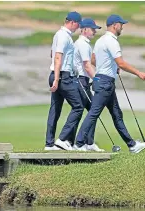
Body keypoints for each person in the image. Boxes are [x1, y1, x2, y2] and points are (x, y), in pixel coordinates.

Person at [75, 14, 145, 153]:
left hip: (104, 81)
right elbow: (121, 63)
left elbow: (93, 60)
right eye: (121, 25)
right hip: (105, 83)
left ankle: (132, 145)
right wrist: (138, 73)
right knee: (94, 113)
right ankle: (79, 143)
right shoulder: (112, 41)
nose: (122, 27)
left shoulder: (100, 40)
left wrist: (109, 66)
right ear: (115, 25)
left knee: (116, 114)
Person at [45, 11, 84, 151]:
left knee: (55, 110)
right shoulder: (63, 36)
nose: (79, 27)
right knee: (78, 106)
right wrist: (56, 79)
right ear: (72, 22)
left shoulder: (58, 35)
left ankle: (49, 144)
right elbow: (57, 57)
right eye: (78, 24)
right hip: (62, 76)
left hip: (57, 74)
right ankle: (62, 139)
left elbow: (52, 53)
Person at [72, 18, 104, 152]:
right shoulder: (83, 44)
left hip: (81, 80)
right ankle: (83, 143)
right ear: (84, 30)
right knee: (92, 110)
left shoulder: (81, 43)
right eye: (92, 29)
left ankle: (87, 142)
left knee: (91, 110)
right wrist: (97, 80)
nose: (94, 32)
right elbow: (86, 65)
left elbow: (90, 61)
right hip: (81, 80)